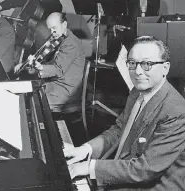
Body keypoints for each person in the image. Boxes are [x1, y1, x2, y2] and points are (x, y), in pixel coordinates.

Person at [64, 36, 185, 190]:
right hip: (129, 171)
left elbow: (144, 169)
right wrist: (85, 150)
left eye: (147, 64)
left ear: (165, 68)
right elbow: (119, 130)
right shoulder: (137, 91)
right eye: (133, 63)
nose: (138, 71)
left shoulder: (177, 112)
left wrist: (90, 167)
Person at [15, 12, 85, 111]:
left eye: (54, 28)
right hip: (53, 83)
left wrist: (41, 68)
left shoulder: (71, 43)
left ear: (64, 25)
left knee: (32, 104)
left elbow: (58, 70)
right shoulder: (60, 38)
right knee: (24, 96)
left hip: (65, 89)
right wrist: (30, 66)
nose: (52, 32)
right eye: (50, 29)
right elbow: (51, 63)